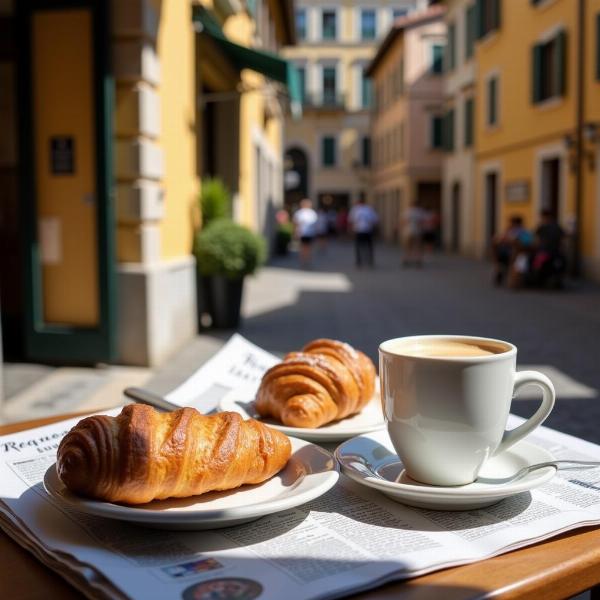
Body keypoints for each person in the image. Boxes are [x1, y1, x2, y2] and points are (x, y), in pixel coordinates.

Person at [492, 215, 532, 287]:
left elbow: (526, 243)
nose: (510, 225)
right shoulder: (510, 231)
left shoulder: (522, 232)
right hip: (509, 251)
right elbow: (500, 240)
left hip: (519, 252)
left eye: (512, 223)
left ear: (516, 224)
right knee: (499, 249)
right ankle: (500, 268)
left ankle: (505, 273)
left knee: (513, 256)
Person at [531, 210, 566, 287]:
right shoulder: (557, 226)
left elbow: (536, 239)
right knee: (558, 265)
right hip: (554, 251)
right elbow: (562, 239)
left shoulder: (542, 227)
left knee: (537, 264)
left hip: (544, 251)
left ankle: (538, 280)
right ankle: (556, 280)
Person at [348, 198, 379, 267]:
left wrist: (351, 230)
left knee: (358, 246)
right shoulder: (369, 209)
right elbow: (375, 220)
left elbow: (351, 220)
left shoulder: (355, 209)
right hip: (367, 230)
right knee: (369, 246)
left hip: (359, 230)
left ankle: (359, 261)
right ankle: (370, 260)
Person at [293, 198, 318, 267]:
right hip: (303, 233)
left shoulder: (312, 212)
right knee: (303, 247)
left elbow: (315, 224)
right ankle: (303, 261)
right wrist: (296, 232)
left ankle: (307, 261)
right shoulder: (300, 212)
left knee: (308, 247)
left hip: (310, 233)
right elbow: (296, 223)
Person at [402, 202, 426, 267]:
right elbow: (422, 222)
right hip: (417, 231)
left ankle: (406, 260)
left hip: (408, 231)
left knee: (408, 247)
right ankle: (418, 260)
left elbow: (404, 221)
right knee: (418, 246)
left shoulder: (407, 211)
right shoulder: (420, 212)